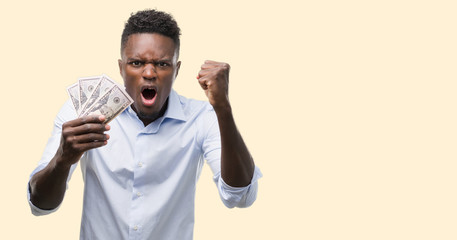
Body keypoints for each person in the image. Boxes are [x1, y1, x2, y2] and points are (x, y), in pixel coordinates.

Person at [27, 9, 262, 240]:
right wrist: (62, 159)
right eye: (137, 63)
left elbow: (240, 196)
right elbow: (40, 205)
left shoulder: (202, 117)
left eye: (162, 64)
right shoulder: (83, 113)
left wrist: (223, 108)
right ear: (121, 68)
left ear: (176, 70)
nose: (149, 73)